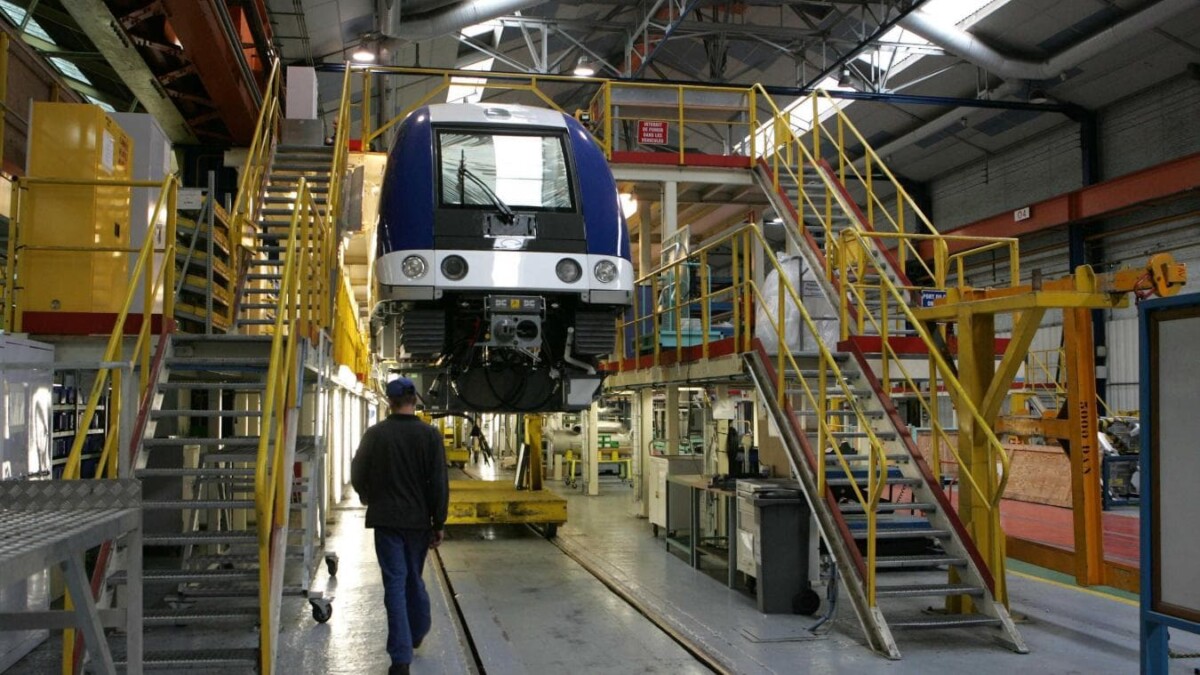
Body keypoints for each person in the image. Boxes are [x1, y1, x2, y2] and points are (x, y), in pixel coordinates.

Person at [351, 377, 449, 675]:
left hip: (386, 521)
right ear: (414, 400)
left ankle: (400, 659)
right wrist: (438, 521)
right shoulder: (430, 436)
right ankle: (417, 629)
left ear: (389, 402)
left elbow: (357, 472)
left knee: (395, 582)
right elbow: (439, 482)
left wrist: (368, 495)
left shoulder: (375, 434)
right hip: (417, 522)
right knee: (412, 579)